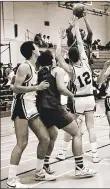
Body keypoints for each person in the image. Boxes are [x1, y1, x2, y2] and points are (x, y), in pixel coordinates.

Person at [36, 50, 97, 178]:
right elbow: (61, 89)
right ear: (52, 60)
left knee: (52, 135)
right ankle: (80, 167)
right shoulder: (57, 70)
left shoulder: (40, 72)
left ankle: (44, 165)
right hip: (54, 107)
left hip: (42, 109)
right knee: (77, 133)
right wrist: (72, 95)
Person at [7, 41, 56, 188]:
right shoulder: (24, 66)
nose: (38, 48)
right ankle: (11, 180)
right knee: (22, 143)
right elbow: (16, 88)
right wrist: (38, 87)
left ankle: (39, 172)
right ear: (33, 51)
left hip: (31, 107)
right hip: (20, 107)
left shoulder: (34, 67)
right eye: (36, 46)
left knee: (45, 138)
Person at [57, 19, 100, 163]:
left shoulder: (70, 70)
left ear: (69, 57)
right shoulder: (86, 63)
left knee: (72, 126)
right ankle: (95, 154)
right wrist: (77, 26)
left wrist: (60, 39)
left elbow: (57, 56)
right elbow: (81, 43)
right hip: (90, 98)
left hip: (78, 100)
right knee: (91, 127)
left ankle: (63, 151)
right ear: (81, 55)